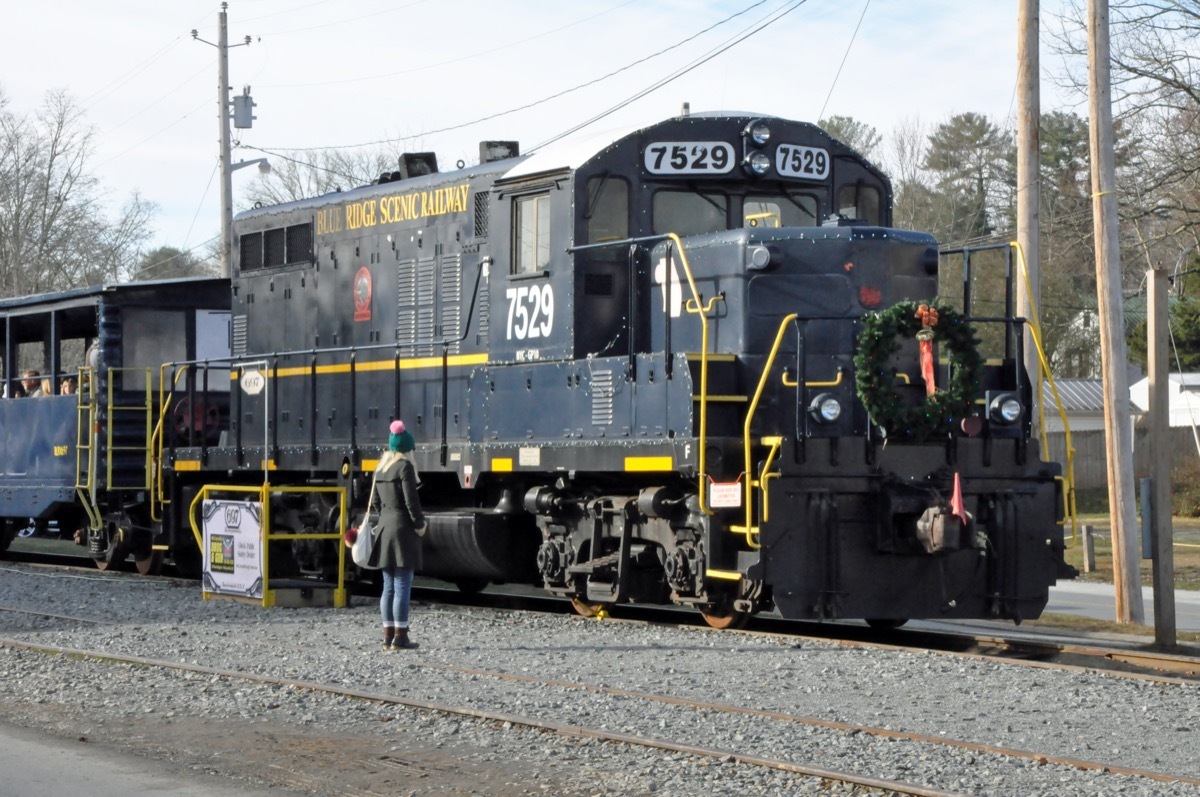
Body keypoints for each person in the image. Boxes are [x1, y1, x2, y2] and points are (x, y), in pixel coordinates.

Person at [369, 419, 426, 650]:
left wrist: (384, 517)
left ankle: (387, 636)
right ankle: (401, 638)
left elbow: (374, 502)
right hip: (402, 530)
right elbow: (412, 502)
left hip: (384, 528)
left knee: (388, 586)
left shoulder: (381, 468)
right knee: (403, 584)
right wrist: (419, 524)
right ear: (408, 449)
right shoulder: (405, 467)